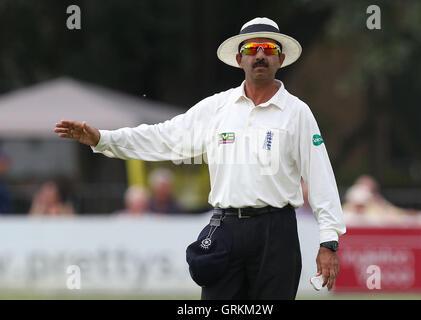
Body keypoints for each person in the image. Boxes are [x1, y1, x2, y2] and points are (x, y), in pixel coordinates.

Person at [54, 17, 346, 299]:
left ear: (280, 59)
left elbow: (320, 176)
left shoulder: (297, 112)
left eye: (268, 49)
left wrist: (328, 241)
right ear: (238, 59)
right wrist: (103, 139)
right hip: (226, 227)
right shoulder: (217, 107)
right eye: (251, 49)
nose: (260, 55)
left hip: (277, 231)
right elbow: (163, 137)